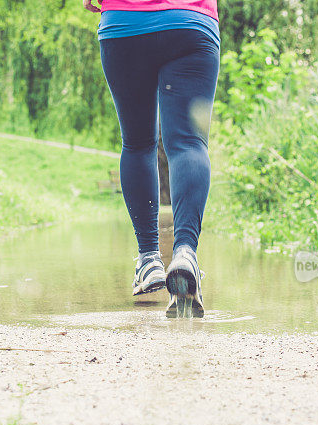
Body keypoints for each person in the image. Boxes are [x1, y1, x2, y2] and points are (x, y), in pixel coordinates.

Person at [84, 0, 219, 318]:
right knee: (188, 143)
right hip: (190, 22)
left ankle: (148, 260)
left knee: (137, 143)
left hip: (125, 24)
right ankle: (185, 251)